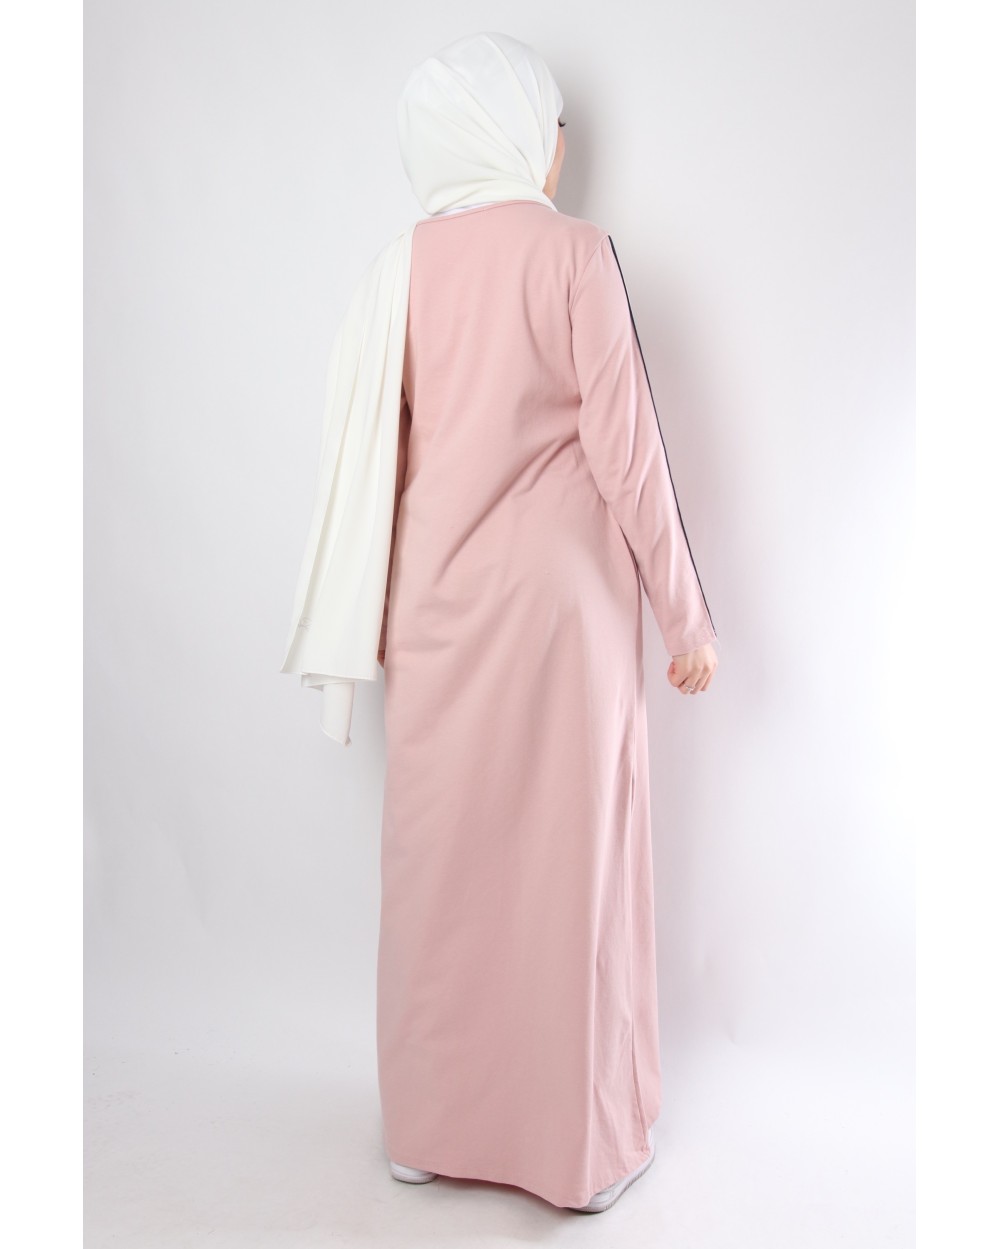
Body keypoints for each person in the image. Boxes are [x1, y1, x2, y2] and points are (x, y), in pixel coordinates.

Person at [283, 32, 719, 1213]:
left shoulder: (399, 268)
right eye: (553, 124)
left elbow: (377, 460)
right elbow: (629, 455)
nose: (562, 145)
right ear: (520, 137)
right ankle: (581, 1153)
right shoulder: (575, 255)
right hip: (561, 626)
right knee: (570, 875)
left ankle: (427, 1128)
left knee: (438, 872)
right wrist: (684, 616)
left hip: (433, 612)